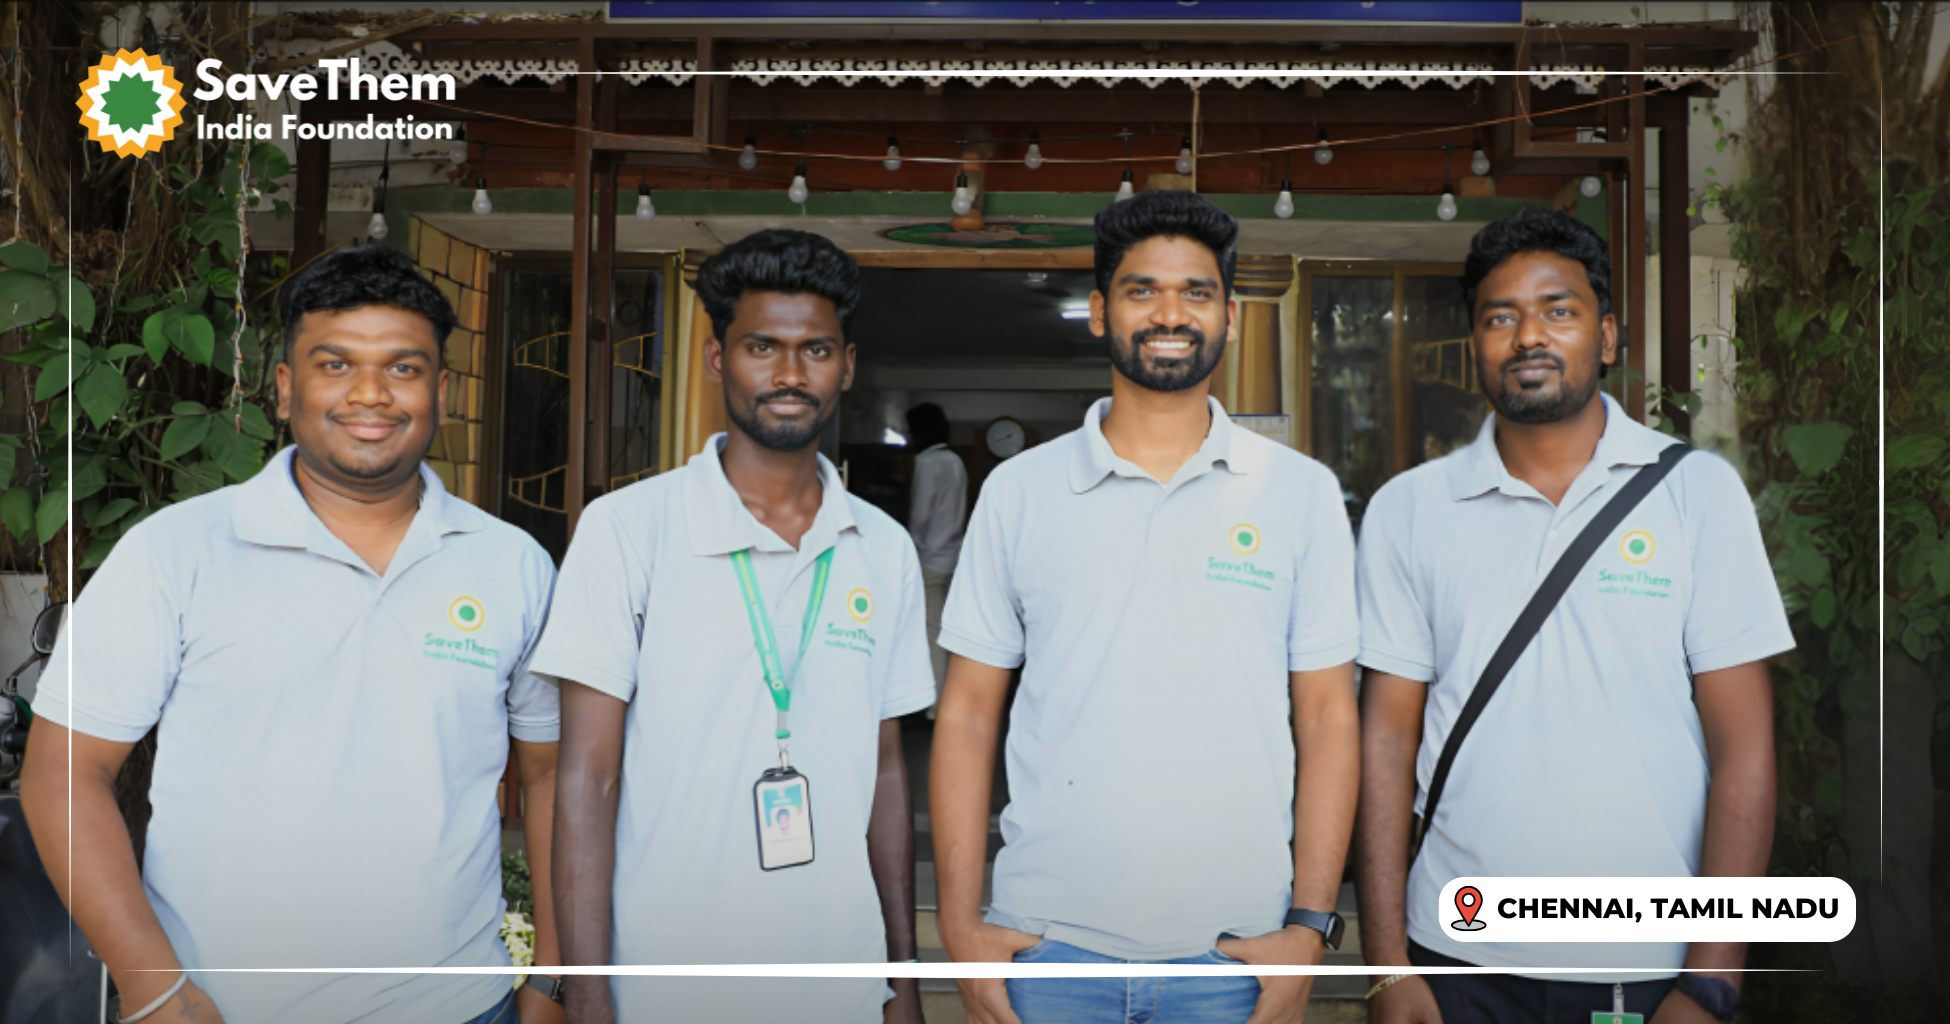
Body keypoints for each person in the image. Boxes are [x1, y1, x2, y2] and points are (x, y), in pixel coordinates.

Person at [21, 245, 564, 1024]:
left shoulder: (512, 565)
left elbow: (549, 780)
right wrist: (155, 989)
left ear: (442, 391)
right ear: (284, 388)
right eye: (335, 365)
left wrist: (552, 978)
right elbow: (62, 777)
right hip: (222, 1010)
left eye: (404, 369)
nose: (371, 394)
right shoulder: (175, 552)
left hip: (461, 1007)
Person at [931, 190, 1362, 1024]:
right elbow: (969, 714)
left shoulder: (1300, 494)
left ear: (1231, 316)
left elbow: (1328, 717)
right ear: (1099, 313)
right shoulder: (1020, 490)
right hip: (1044, 943)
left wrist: (1310, 924)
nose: (1171, 312)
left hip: (1237, 949)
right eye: (1142, 290)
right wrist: (958, 924)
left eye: (1196, 292)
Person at [1354, 208, 1790, 1024]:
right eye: (1500, 316)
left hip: (1647, 964)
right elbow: (1385, 743)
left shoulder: (1697, 494)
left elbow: (1746, 743)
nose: (1529, 335)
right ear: (1475, 343)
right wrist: (1386, 966)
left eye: (1559, 310)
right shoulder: (1407, 511)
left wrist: (1713, 978)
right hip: (1455, 959)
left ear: (1609, 335)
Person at [535, 229, 932, 1024]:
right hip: (663, 984)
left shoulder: (882, 548)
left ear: (847, 365)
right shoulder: (627, 529)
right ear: (718, 359)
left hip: (839, 983)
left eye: (816, 350)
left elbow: (886, 771)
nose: (789, 375)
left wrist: (903, 983)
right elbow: (587, 778)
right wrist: (584, 991)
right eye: (762, 347)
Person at [903, 401, 967, 710]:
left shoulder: (926, 463)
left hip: (928, 559)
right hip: (952, 557)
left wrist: (913, 545)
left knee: (931, 636)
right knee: (943, 632)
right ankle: (938, 703)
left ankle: (935, 706)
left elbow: (920, 512)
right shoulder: (955, 461)